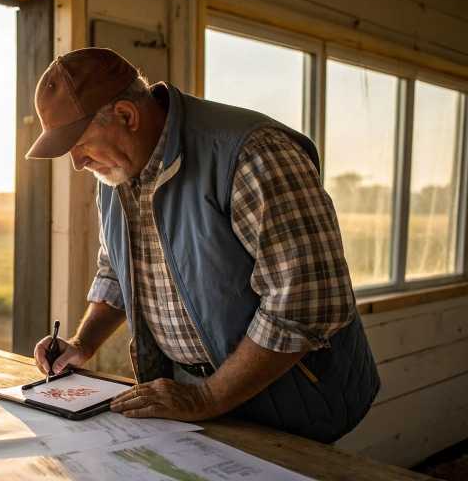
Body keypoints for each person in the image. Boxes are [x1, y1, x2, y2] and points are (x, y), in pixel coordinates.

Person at [27, 48, 379, 443]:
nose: (77, 162)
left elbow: (303, 303)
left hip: (293, 395)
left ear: (126, 116)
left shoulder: (253, 153)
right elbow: (116, 271)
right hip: (198, 397)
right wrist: (82, 343)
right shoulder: (115, 172)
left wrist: (207, 397)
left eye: (79, 143)